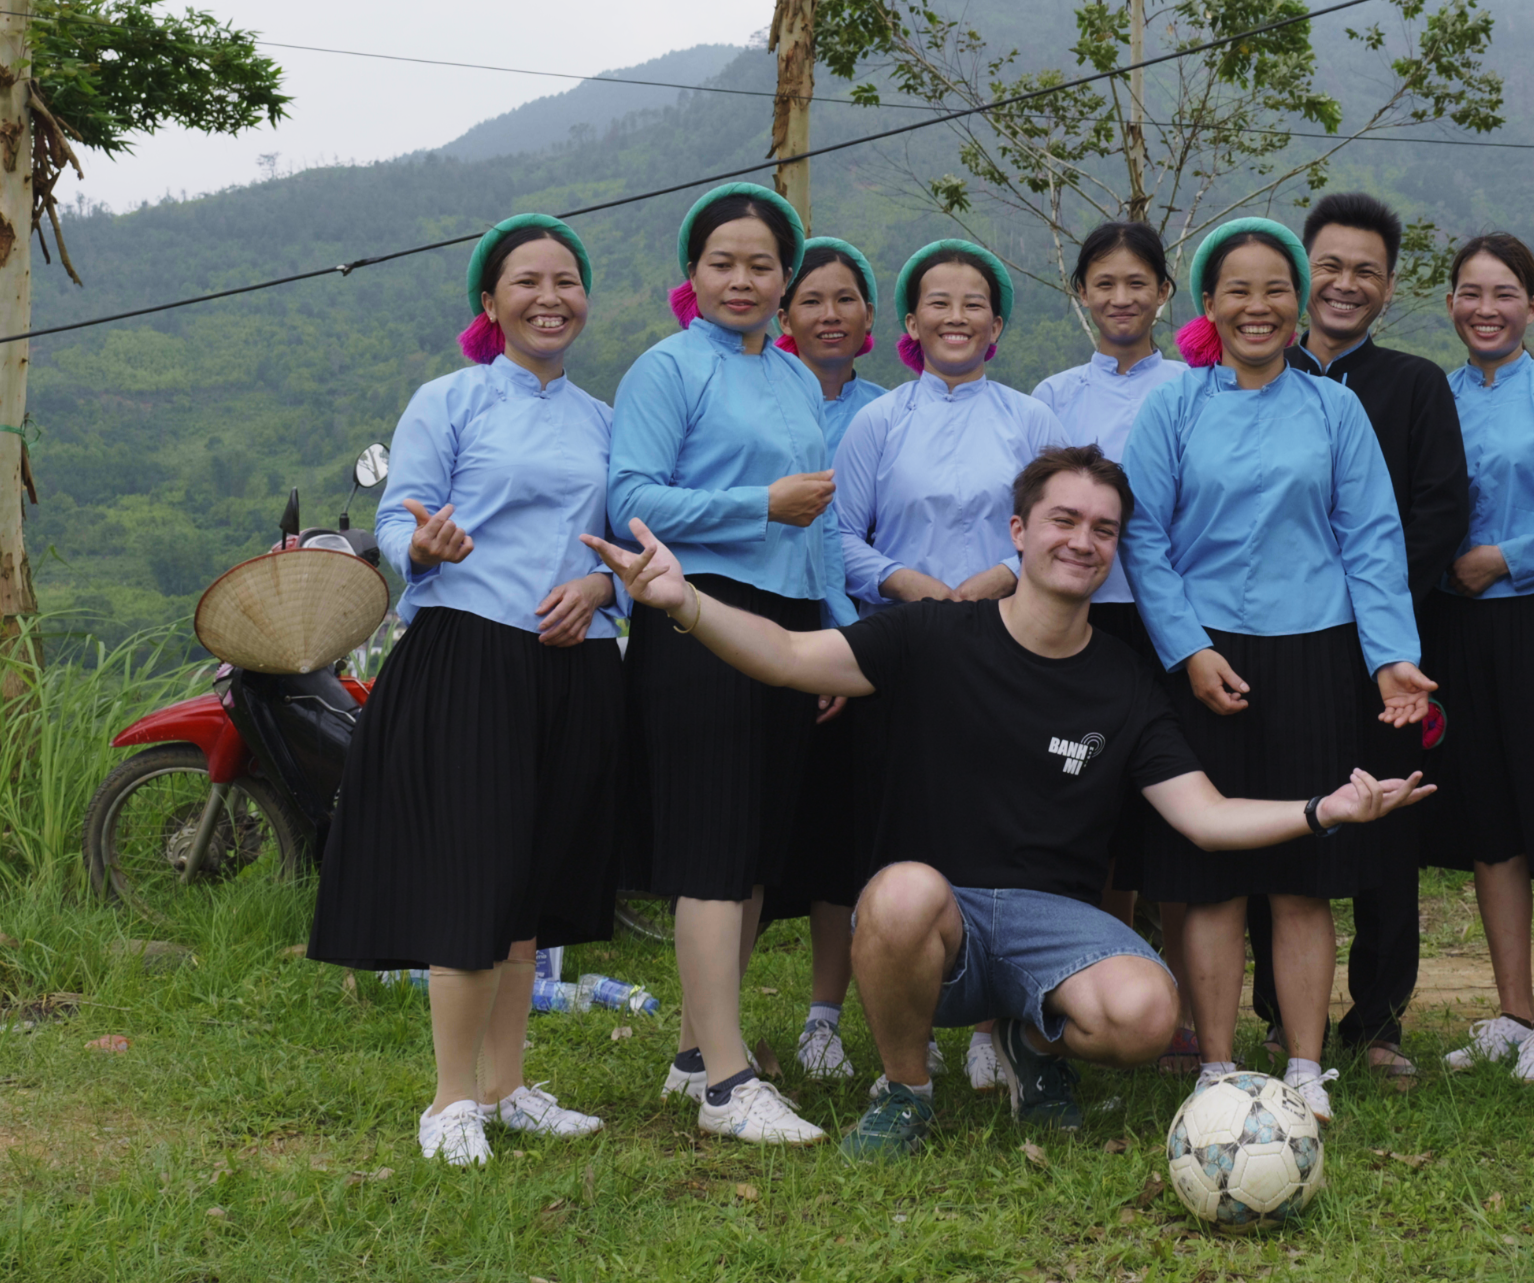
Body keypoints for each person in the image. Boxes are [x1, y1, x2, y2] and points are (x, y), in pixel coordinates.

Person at [582, 448, 1433, 1158]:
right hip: (931, 920)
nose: (1083, 542)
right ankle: (905, 1088)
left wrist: (1325, 810)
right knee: (905, 889)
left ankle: (1034, 1049)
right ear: (1019, 532)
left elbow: (1205, 815)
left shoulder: (1127, 684)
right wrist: (685, 601)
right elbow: (787, 657)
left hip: (1045, 932)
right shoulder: (931, 636)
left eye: (1104, 530)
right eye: (1063, 521)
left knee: (1145, 1013)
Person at [308, 214, 623, 1164]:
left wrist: (604, 585)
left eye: (566, 281)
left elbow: (627, 543)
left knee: (531, 881)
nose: (549, 297)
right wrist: (426, 546)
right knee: (475, 877)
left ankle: (508, 1084)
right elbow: (402, 521)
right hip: (471, 655)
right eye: (527, 281)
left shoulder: (604, 418)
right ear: (490, 304)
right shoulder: (448, 400)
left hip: (577, 663)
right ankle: (451, 1101)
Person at [1121, 216, 1437, 1122]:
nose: (1257, 306)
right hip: (1205, 658)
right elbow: (1142, 533)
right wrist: (1188, 649)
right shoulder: (1175, 405)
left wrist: (1391, 660)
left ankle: (1304, 1067)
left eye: (1275, 289)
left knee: (1304, 874)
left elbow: (1371, 538)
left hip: (1317, 654)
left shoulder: (1336, 409)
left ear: (1297, 305)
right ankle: (1219, 1068)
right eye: (1238, 290)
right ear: (1209, 305)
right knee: (1213, 877)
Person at [609, 183, 836, 1146]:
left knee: (748, 851)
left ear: (785, 278)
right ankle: (728, 1084)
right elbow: (629, 496)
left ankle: (703, 1052)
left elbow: (814, 518)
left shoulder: (791, 376)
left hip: (785, 626)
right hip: (693, 619)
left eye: (761, 264)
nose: (742, 280)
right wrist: (756, 505)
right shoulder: (666, 369)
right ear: (691, 274)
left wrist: (835, 636)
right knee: (711, 848)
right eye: (722, 263)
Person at [831, 237, 1067, 1092]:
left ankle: (995, 1022)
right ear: (910, 320)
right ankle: (911, 1021)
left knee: (997, 825)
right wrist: (910, 583)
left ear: (997, 322)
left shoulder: (1030, 420)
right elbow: (840, 536)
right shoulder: (878, 421)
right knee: (905, 824)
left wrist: (1000, 579)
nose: (956, 316)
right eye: (939, 301)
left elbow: (1059, 522)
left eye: (974, 303)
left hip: (1009, 643)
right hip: (904, 648)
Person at [1246, 192, 1469, 1087]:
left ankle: (1378, 1020)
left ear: (1388, 288)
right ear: (1300, 275)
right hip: (1275, 644)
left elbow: (1437, 513)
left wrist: (1376, 630)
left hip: (1386, 653)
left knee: (1384, 829)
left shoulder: (1414, 384)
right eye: (1328, 266)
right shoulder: (1250, 377)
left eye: (1365, 271)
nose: (1345, 284)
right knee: (1281, 824)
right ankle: (1276, 1016)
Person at [1422, 232, 1534, 1084]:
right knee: (1490, 822)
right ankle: (1511, 1008)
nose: (1484, 308)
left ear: (1532, 304)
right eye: (1468, 292)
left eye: (1502, 293)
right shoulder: (1434, 396)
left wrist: (1505, 557)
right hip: (1457, 631)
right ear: (1449, 302)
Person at [1030, 220, 1196, 1067]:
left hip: (1169, 621)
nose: (1121, 298)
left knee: (1162, 807)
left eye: (1138, 282)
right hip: (1080, 617)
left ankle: (1173, 1003)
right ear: (1083, 293)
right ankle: (1077, 980)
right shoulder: (1053, 397)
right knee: (1083, 798)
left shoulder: (1194, 385)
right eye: (1104, 283)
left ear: (1164, 293)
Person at [764, 236, 888, 1084]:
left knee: (847, 841)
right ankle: (706, 1036)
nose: (829, 315)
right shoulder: (758, 399)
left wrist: (844, 640)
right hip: (767, 632)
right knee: (755, 833)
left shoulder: (887, 411)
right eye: (812, 300)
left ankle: (825, 1019)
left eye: (846, 299)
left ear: (873, 318)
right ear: (784, 316)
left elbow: (865, 534)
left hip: (861, 651)